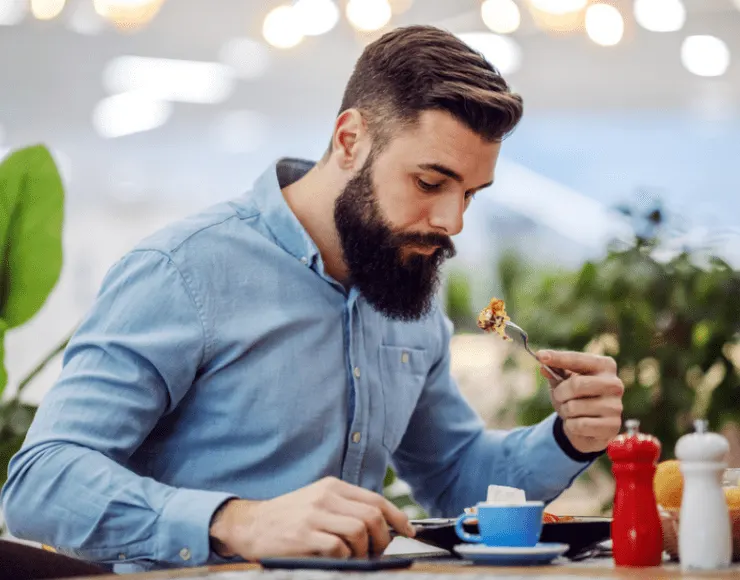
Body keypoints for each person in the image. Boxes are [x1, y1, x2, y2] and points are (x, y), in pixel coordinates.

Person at [1, 25, 624, 573]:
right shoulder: (182, 271)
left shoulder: (406, 292)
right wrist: (238, 521)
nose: (452, 221)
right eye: (430, 182)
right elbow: (39, 482)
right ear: (350, 139)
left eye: (471, 194)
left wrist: (569, 437)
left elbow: (455, 476)